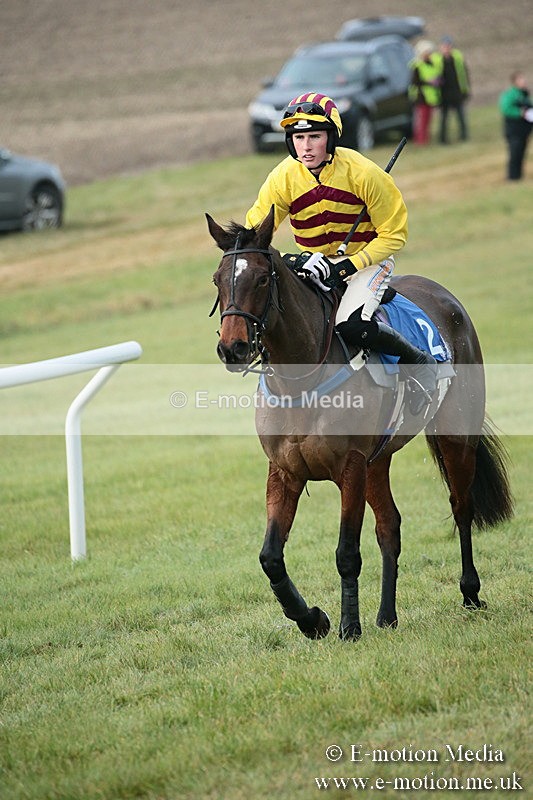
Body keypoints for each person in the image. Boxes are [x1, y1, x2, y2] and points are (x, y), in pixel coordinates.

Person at [245, 93, 437, 414]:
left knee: (350, 325)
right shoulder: (282, 178)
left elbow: (394, 235)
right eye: (298, 137)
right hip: (315, 264)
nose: (305, 146)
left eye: (314, 137)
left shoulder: (364, 174)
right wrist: (296, 260)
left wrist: (347, 266)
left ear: (331, 137)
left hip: (368, 262)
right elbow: (255, 237)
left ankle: (418, 361)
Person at [434, 36, 470, 144]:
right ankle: (442, 139)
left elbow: (464, 74)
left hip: (456, 92)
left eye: (448, 46)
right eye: (444, 46)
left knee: (461, 116)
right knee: (444, 118)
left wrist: (465, 90)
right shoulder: (437, 60)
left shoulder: (457, 58)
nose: (447, 48)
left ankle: (464, 136)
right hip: (444, 94)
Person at [498, 71, 532, 180]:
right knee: (514, 152)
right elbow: (506, 109)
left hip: (524, 129)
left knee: (522, 152)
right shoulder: (510, 94)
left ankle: (519, 175)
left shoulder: (524, 94)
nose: (523, 81)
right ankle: (512, 176)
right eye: (521, 79)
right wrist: (519, 113)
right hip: (514, 129)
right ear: (515, 81)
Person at [409, 40, 441, 145]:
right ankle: (420, 141)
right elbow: (415, 82)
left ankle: (425, 139)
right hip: (420, 97)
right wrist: (429, 82)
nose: (429, 54)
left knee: (427, 120)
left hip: (429, 97)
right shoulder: (416, 66)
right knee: (421, 121)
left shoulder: (431, 64)